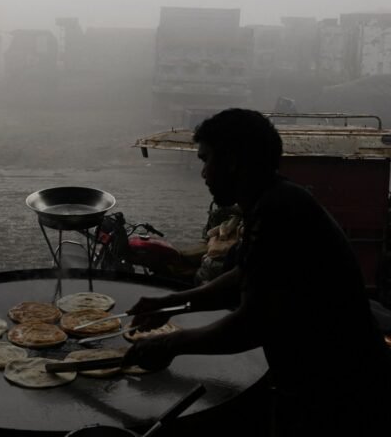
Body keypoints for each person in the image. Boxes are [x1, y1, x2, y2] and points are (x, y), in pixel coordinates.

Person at [122, 108, 391, 436]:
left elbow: (252, 324)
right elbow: (243, 277)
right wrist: (173, 303)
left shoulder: (280, 212)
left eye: (206, 160)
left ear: (233, 160)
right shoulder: (273, 201)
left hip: (340, 392)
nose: (203, 174)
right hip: (321, 383)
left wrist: (170, 344)